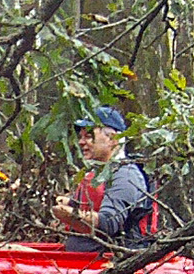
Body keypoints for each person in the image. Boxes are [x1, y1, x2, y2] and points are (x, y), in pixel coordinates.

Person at [51, 106, 156, 252]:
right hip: (80, 259)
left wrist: (70, 215)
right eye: (81, 137)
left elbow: (109, 223)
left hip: (110, 262)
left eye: (88, 136)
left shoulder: (125, 175)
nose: (81, 142)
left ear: (113, 139)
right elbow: (94, 203)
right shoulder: (98, 172)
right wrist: (69, 203)